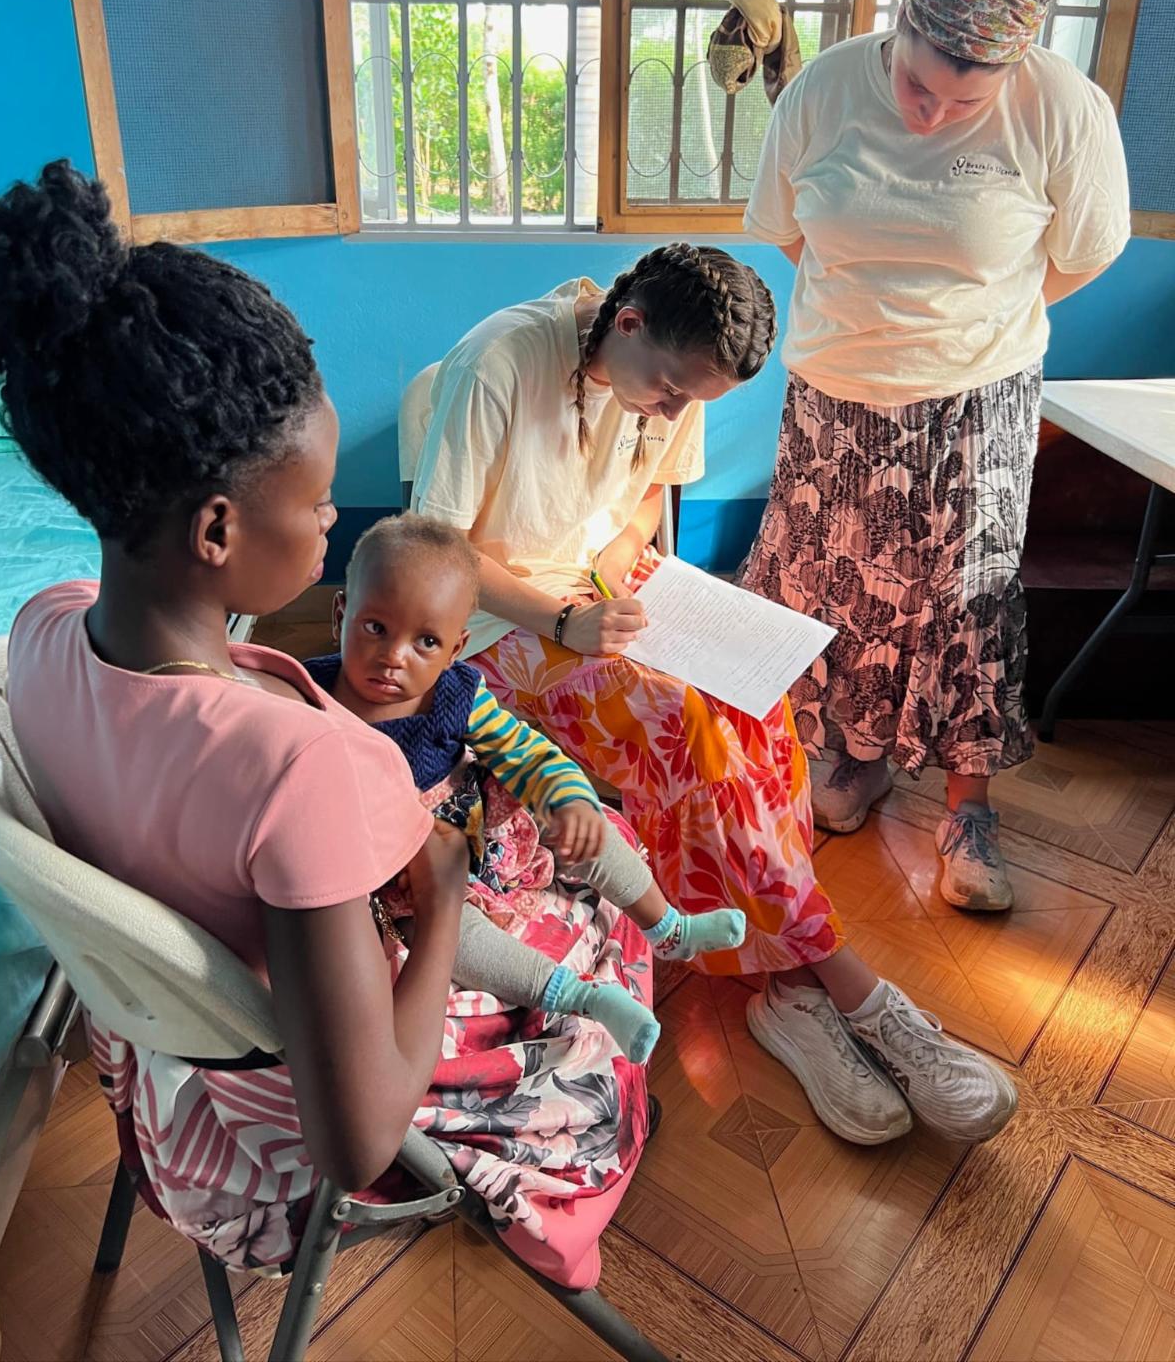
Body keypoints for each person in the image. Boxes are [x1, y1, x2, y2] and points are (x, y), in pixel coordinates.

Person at [0, 162, 652, 1286]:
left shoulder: (39, 632)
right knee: (606, 933)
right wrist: (443, 896)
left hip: (162, 1076)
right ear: (217, 529)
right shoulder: (301, 769)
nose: (338, 518)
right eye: (322, 500)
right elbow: (359, 1141)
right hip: (284, 1137)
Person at [410, 240, 1017, 1146]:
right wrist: (566, 617)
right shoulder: (500, 361)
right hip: (496, 622)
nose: (673, 411)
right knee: (685, 731)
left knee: (758, 703)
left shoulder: (673, 375)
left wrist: (617, 574)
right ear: (627, 322)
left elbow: (641, 506)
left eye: (692, 400)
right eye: (668, 392)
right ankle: (839, 983)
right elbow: (434, 549)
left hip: (598, 591)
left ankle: (786, 983)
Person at [740, 0, 1131, 912]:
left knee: (969, 600)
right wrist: (873, 320)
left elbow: (1087, 249)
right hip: (836, 387)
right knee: (837, 586)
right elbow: (787, 230)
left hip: (981, 392)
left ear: (1013, 67)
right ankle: (858, 757)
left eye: (965, 101)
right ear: (902, 27)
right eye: (919, 85)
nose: (932, 113)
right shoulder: (823, 91)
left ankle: (969, 809)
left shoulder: (1061, 107)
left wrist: (977, 322)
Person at [305, 513, 746, 1064]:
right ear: (341, 613)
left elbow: (528, 754)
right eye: (375, 628)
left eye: (426, 642)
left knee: (591, 829)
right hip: (411, 873)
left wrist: (570, 799)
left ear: (455, 649)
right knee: (449, 940)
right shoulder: (307, 701)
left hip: (483, 827)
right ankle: (585, 998)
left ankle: (668, 927)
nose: (394, 656)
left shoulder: (456, 693)